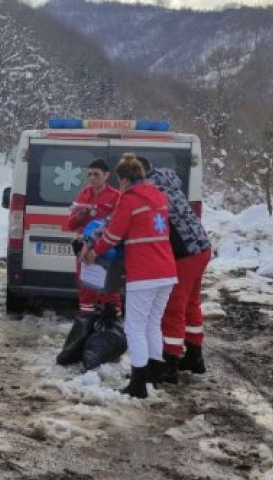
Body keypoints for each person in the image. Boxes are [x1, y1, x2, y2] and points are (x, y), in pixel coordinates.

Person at [81, 154, 176, 399]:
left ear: (123, 180)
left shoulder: (130, 200)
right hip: (167, 271)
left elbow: (113, 234)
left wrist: (93, 251)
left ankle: (138, 384)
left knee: (134, 328)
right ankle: (154, 374)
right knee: (152, 323)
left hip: (144, 272)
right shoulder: (158, 196)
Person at [138, 157, 213, 383]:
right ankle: (194, 355)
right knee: (191, 302)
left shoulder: (148, 192)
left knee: (173, 306)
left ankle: (169, 364)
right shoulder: (167, 183)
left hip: (184, 254)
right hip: (201, 248)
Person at [66, 158, 122, 314]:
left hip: (106, 250)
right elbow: (70, 225)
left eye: (96, 175)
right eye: (89, 175)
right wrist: (80, 216)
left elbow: (119, 224)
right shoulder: (83, 194)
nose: (91, 178)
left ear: (106, 175)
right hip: (84, 250)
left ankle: (110, 330)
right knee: (86, 291)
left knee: (110, 292)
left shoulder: (116, 196)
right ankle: (86, 326)